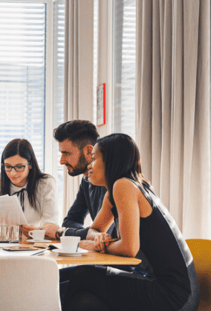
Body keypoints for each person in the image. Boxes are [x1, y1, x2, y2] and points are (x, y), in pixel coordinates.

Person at [61, 133, 199, 311]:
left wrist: (98, 246)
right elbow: (94, 229)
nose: (90, 165)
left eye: (94, 159)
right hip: (162, 285)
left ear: (111, 160)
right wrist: (99, 238)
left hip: (176, 295)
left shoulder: (124, 185)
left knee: (82, 275)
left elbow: (129, 248)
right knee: (83, 300)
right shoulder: (117, 189)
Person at [0, 138, 60, 239]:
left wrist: (37, 231)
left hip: (34, 245)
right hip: (2, 248)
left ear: (30, 165)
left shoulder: (45, 184)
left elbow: (51, 222)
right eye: (8, 166)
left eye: (19, 167)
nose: (13, 173)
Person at [50, 120, 108, 240]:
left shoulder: (110, 181)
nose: (61, 161)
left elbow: (107, 233)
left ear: (88, 151)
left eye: (66, 154)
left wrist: (62, 233)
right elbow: (70, 221)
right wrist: (87, 233)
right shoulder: (87, 180)